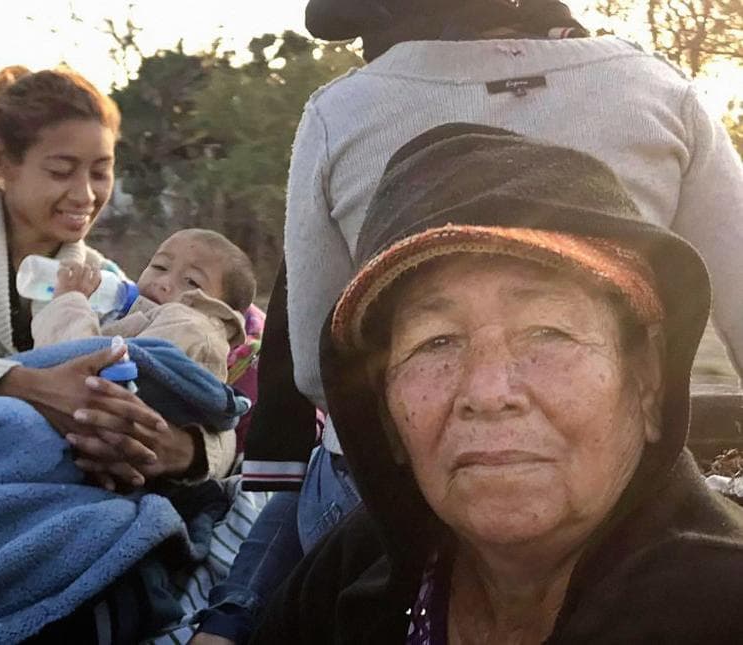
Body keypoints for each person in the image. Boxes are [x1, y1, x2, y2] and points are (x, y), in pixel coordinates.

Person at [250, 124, 743, 644]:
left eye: (548, 332)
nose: (488, 393)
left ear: (647, 382)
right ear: (386, 411)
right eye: (436, 341)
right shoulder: (355, 565)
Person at [0, 66, 200, 490]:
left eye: (100, 172)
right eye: (61, 171)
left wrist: (179, 450)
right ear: (4, 160)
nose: (85, 195)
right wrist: (25, 387)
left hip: (40, 497)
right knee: (22, 425)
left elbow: (187, 378)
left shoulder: (107, 285)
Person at [32, 228, 258, 479]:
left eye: (192, 282)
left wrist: (68, 303)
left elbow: (82, 370)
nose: (163, 282)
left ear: (222, 309)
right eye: (160, 266)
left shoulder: (191, 326)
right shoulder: (132, 315)